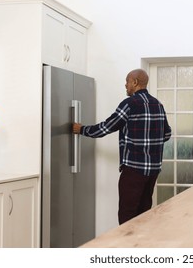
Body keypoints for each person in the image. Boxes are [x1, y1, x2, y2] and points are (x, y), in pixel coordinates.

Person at [73, 69, 171, 224]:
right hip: (153, 171)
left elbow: (106, 128)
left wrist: (82, 129)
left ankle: (126, 248)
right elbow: (166, 134)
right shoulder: (158, 104)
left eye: (127, 81)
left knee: (127, 216)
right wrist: (150, 142)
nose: (125, 85)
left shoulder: (130, 104)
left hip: (133, 170)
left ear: (135, 82)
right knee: (144, 215)